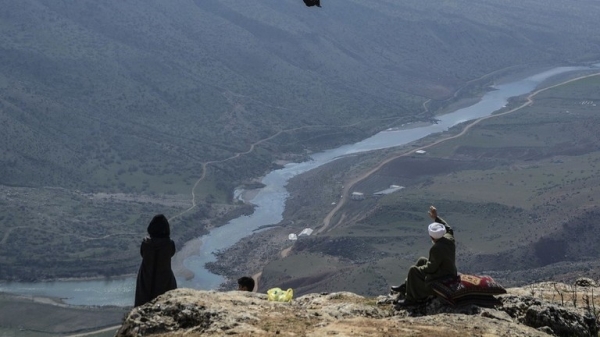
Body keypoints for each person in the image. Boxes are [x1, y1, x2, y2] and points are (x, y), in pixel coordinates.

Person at [391, 206, 457, 306]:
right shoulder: (449, 238)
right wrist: (436, 217)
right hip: (448, 269)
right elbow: (448, 228)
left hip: (443, 274)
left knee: (413, 270)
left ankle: (412, 299)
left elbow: (432, 268)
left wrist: (420, 270)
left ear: (431, 236)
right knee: (422, 260)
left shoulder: (436, 248)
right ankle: (407, 285)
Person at [134, 214, 178, 307]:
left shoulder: (146, 243)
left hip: (145, 278)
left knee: (142, 305)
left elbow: (142, 254)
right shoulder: (169, 244)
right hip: (165, 278)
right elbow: (171, 253)